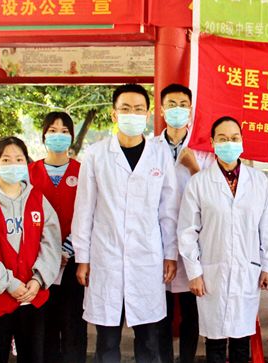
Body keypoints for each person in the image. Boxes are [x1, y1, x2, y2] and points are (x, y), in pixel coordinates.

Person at [72, 83, 180, 362]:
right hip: (106, 257)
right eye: (126, 109)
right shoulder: (96, 155)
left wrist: (170, 253)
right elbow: (84, 210)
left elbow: (168, 210)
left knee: (149, 340)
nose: (132, 114)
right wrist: (82, 258)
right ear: (114, 114)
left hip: (147, 258)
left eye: (139, 109)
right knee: (107, 341)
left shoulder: (160, 155)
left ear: (148, 115)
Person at [177, 116, 268, 363]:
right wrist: (194, 273)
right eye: (222, 139)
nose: (229, 143)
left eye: (234, 138)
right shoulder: (199, 182)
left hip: (247, 270)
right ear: (212, 143)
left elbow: (267, 228)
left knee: (242, 341)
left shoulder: (258, 181)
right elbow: (187, 231)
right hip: (212, 272)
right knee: (215, 341)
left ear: (242, 141)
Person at [0, 136, 61, 363]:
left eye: (19, 159)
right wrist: (9, 283)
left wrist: (38, 279)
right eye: (6, 160)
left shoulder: (37, 199)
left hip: (32, 298)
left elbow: (51, 242)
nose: (13, 164)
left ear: (26, 163)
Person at [155, 84, 213, 363]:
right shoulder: (150, 148)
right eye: (171, 104)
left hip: (195, 238)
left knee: (192, 309)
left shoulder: (204, 151)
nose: (177, 109)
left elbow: (214, 195)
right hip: (158, 238)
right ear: (162, 110)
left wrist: (194, 167)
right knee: (161, 310)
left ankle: (187, 358)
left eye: (183, 104)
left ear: (190, 110)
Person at [28, 112, 87, 363]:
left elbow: (88, 215)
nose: (58, 136)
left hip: (73, 261)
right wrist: (49, 254)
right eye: (52, 130)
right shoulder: (29, 172)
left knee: (73, 324)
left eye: (64, 131)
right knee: (44, 326)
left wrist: (65, 251)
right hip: (38, 263)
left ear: (71, 137)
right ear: (44, 136)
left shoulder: (83, 172)